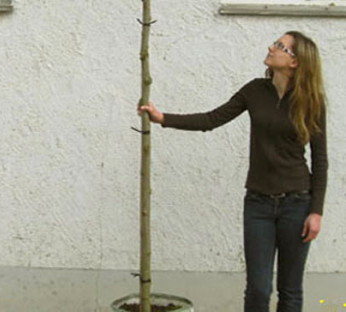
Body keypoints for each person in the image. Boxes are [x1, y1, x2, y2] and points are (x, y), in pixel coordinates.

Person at [139, 31, 328, 312]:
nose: (271, 46)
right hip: (258, 204)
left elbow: (320, 159)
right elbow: (212, 119)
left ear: (295, 62)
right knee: (258, 289)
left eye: (280, 46)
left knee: (290, 290)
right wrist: (163, 118)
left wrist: (316, 211)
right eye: (275, 42)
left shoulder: (311, 101)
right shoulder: (254, 91)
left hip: (297, 204)